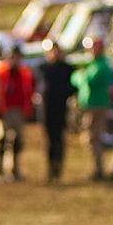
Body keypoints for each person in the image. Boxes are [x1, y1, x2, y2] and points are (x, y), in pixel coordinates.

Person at [73, 39, 113, 180]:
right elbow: (76, 79)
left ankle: (99, 170)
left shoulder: (102, 66)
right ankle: (98, 169)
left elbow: (87, 81)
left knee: (94, 137)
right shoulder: (94, 65)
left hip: (97, 106)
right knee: (91, 138)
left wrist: (80, 75)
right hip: (90, 106)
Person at [0, 37, 35, 180]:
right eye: (13, 57)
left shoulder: (25, 73)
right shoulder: (1, 72)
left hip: (19, 110)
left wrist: (28, 109)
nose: (15, 60)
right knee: (1, 139)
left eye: (17, 57)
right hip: (5, 110)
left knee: (18, 141)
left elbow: (29, 92)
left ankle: (14, 169)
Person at [34, 40, 73, 182]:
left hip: (61, 109)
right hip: (47, 109)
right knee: (49, 140)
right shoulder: (43, 68)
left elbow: (73, 87)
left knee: (59, 139)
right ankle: (50, 168)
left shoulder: (67, 68)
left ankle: (58, 167)